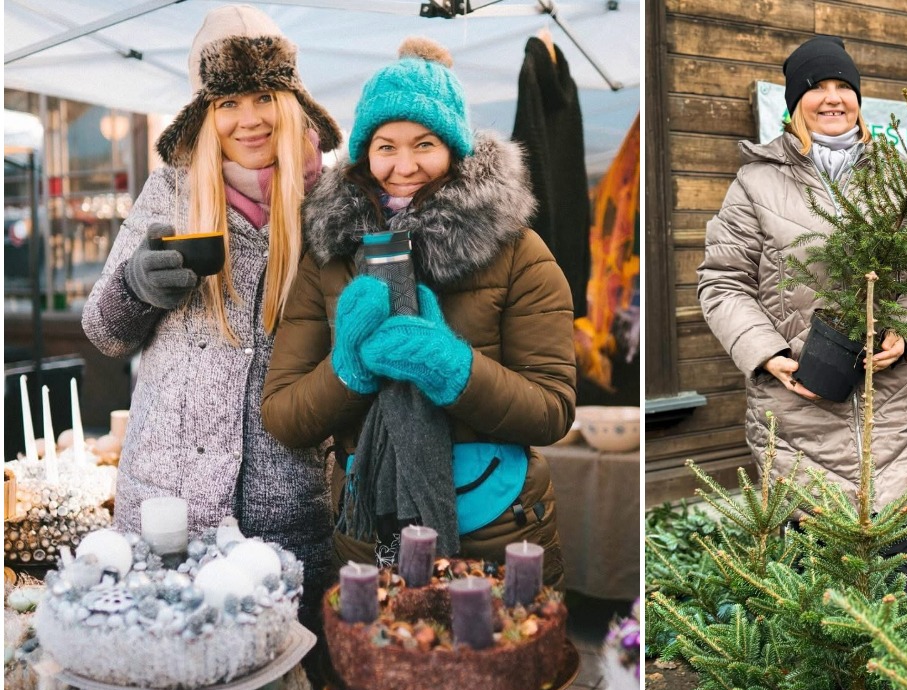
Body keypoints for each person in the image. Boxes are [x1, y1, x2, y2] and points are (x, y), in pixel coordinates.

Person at [260, 37, 573, 587]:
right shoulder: (329, 256)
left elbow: (551, 410)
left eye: (424, 143)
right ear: (364, 152)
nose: (404, 166)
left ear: (454, 148)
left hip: (499, 534)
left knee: (499, 666)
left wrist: (452, 368)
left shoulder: (518, 252)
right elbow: (284, 416)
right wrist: (349, 370)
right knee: (384, 665)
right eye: (386, 146)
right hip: (370, 537)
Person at [81, 5, 344, 626]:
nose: (247, 119)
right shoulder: (170, 190)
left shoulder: (328, 204)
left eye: (262, 96)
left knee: (280, 683)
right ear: (206, 112)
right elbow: (103, 331)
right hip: (168, 505)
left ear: (289, 102)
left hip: (286, 505)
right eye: (227, 103)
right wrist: (137, 285)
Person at [697, 35, 907, 591]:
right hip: (800, 409)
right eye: (816, 88)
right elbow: (722, 282)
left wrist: (904, 334)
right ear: (794, 103)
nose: (832, 98)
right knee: (818, 598)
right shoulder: (755, 182)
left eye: (844, 87)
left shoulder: (898, 177)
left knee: (896, 581)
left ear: (859, 98)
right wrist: (766, 355)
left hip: (893, 413)